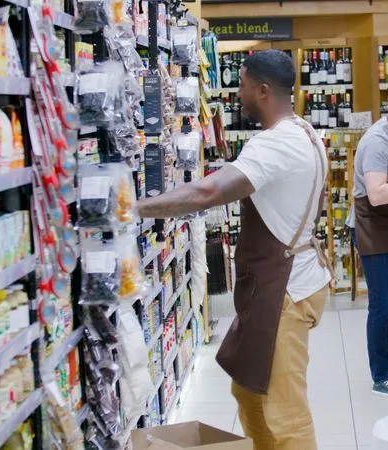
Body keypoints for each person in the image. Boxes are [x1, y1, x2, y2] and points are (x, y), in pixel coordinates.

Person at [137, 49, 331, 450]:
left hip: (284, 291)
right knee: (248, 391)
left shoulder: (275, 144)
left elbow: (209, 191)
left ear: (262, 91)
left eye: (241, 85)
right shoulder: (306, 133)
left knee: (286, 413)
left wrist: (134, 208)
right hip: (283, 283)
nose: (237, 93)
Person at [352, 80, 388, 399]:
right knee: (382, 303)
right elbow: (376, 194)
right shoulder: (377, 139)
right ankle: (381, 375)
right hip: (372, 225)